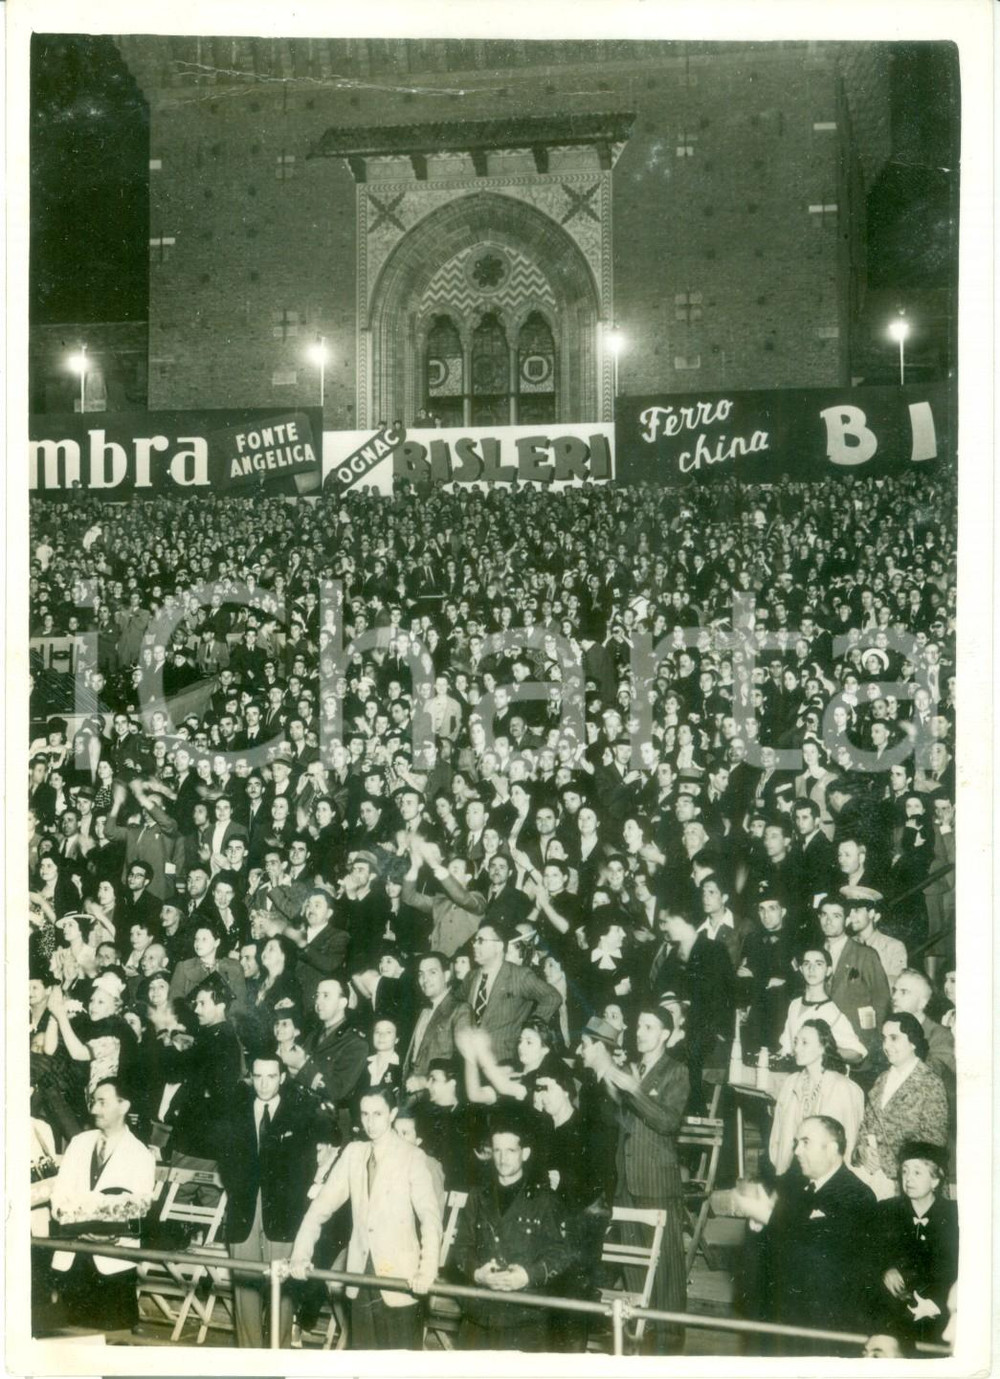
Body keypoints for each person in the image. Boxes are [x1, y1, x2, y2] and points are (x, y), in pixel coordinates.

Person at [287, 1086, 442, 1349]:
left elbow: (430, 1218)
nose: (370, 1122)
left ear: (392, 1113)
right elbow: (319, 1209)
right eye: (365, 1114)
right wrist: (300, 1255)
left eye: (378, 1114)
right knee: (364, 1363)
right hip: (360, 1275)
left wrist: (426, 1272)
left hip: (400, 1278)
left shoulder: (412, 1157)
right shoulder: (353, 1153)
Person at [580, 1005, 689, 1353]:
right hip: (626, 1179)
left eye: (649, 1026)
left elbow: (668, 1123)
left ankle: (670, 1345)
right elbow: (625, 1121)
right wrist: (613, 1084)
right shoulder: (631, 1068)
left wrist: (633, 1090)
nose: (640, 1031)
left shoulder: (676, 1071)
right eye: (638, 1025)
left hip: (656, 1179)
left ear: (665, 1034)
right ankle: (639, 1339)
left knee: (667, 1270)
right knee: (633, 1266)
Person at [736, 1114, 878, 1351]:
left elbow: (824, 1252)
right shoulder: (793, 1187)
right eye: (796, 1143)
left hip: (826, 1328)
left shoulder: (857, 1196)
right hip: (784, 1319)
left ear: (832, 1149)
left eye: (805, 1142)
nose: (797, 1151)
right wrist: (757, 1223)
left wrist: (769, 1218)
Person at [451, 1105, 578, 1351]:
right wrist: (477, 1273)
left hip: (525, 1317)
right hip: (480, 1313)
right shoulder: (478, 1197)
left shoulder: (543, 1200)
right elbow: (461, 1248)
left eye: (510, 1150)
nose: (502, 1158)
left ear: (525, 1153)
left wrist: (528, 1276)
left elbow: (561, 1253)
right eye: (497, 1150)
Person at [219, 1052, 319, 1348]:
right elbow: (225, 1161)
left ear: (283, 1077)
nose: (264, 1084)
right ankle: (250, 1364)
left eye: (271, 1077)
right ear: (250, 1077)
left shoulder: (300, 1112)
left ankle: (280, 1357)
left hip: (284, 1215)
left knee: (283, 1293)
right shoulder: (235, 1111)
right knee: (245, 1293)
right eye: (258, 1076)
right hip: (243, 1212)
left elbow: (306, 1167)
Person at [49, 1077, 157, 1332]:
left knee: (112, 1343)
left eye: (102, 1102)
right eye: (93, 1102)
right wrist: (76, 1226)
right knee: (69, 1342)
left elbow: (141, 1211)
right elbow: (59, 1194)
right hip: (73, 1259)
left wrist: (108, 1236)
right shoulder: (79, 1143)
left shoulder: (141, 1155)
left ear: (124, 1105)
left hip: (115, 1264)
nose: (94, 1109)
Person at [853, 1014, 949, 1199]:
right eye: (884, 1038)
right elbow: (865, 1126)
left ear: (913, 1042)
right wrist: (862, 1151)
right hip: (874, 1181)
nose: (886, 1045)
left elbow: (934, 1144)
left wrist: (885, 1160)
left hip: (910, 1189)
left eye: (894, 1038)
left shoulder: (930, 1083)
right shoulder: (881, 1079)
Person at [874, 1140, 958, 1344]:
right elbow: (867, 1253)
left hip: (937, 1312)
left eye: (917, 1173)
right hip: (890, 1310)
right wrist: (885, 1269)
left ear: (936, 1180)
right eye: (905, 1171)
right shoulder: (886, 1211)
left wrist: (935, 1304)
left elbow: (956, 1270)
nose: (908, 1179)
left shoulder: (954, 1216)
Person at [768, 1018, 864, 1175]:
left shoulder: (843, 1088)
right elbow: (778, 1137)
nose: (797, 1048)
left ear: (822, 1047)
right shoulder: (791, 1083)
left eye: (805, 1043)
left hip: (829, 1178)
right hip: (794, 1170)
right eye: (796, 1041)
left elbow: (849, 1144)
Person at [458, 920, 561, 1065]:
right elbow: (456, 1006)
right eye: (475, 940)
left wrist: (531, 1028)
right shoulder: (471, 977)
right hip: (470, 1061)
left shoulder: (519, 975)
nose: (474, 945)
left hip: (503, 1060)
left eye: (481, 941)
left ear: (499, 946)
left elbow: (552, 997)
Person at [401, 951, 472, 1091]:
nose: (425, 979)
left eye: (432, 972)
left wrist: (426, 1082)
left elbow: (464, 1062)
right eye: (421, 974)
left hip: (435, 1097)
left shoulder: (460, 1009)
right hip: (410, 1095)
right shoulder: (423, 1011)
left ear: (446, 976)